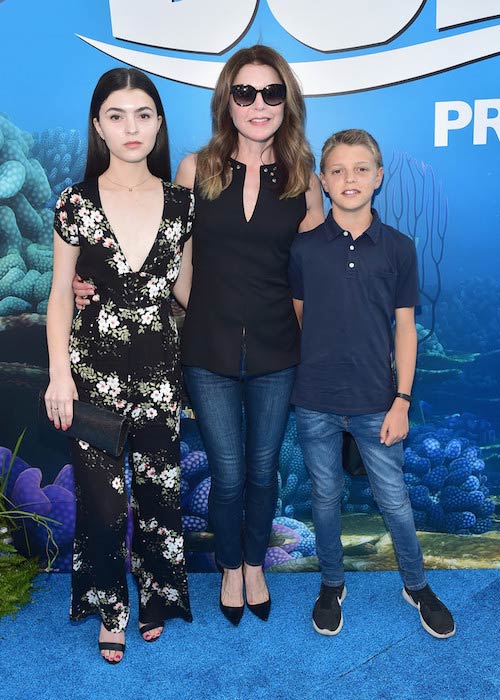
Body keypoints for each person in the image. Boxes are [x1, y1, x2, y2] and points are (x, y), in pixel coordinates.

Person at [75, 45, 324, 625]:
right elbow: (164, 256)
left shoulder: (304, 180)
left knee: (264, 470)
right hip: (206, 351)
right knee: (229, 470)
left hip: (277, 351)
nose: (258, 104)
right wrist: (91, 280)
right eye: (245, 93)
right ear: (227, 102)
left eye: (270, 93)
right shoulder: (193, 169)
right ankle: (231, 567)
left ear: (286, 102)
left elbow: (318, 275)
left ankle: (254, 567)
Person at [45, 67, 193, 664]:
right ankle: (111, 605)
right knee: (102, 501)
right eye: (116, 115)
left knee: (160, 492)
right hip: (92, 377)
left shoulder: (182, 204)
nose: (131, 127)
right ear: (98, 127)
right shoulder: (74, 202)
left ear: (159, 124)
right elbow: (59, 294)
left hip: (161, 373)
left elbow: (188, 290)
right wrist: (60, 375)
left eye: (143, 114)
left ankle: (158, 595)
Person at [289, 129, 455, 639]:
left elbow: (405, 327)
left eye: (361, 169)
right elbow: (302, 316)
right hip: (315, 400)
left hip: (377, 402)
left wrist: (402, 399)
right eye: (336, 170)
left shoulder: (399, 249)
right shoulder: (303, 249)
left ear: (379, 177)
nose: (349, 179)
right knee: (324, 497)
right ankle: (331, 583)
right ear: (322, 179)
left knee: (394, 500)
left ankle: (416, 584)